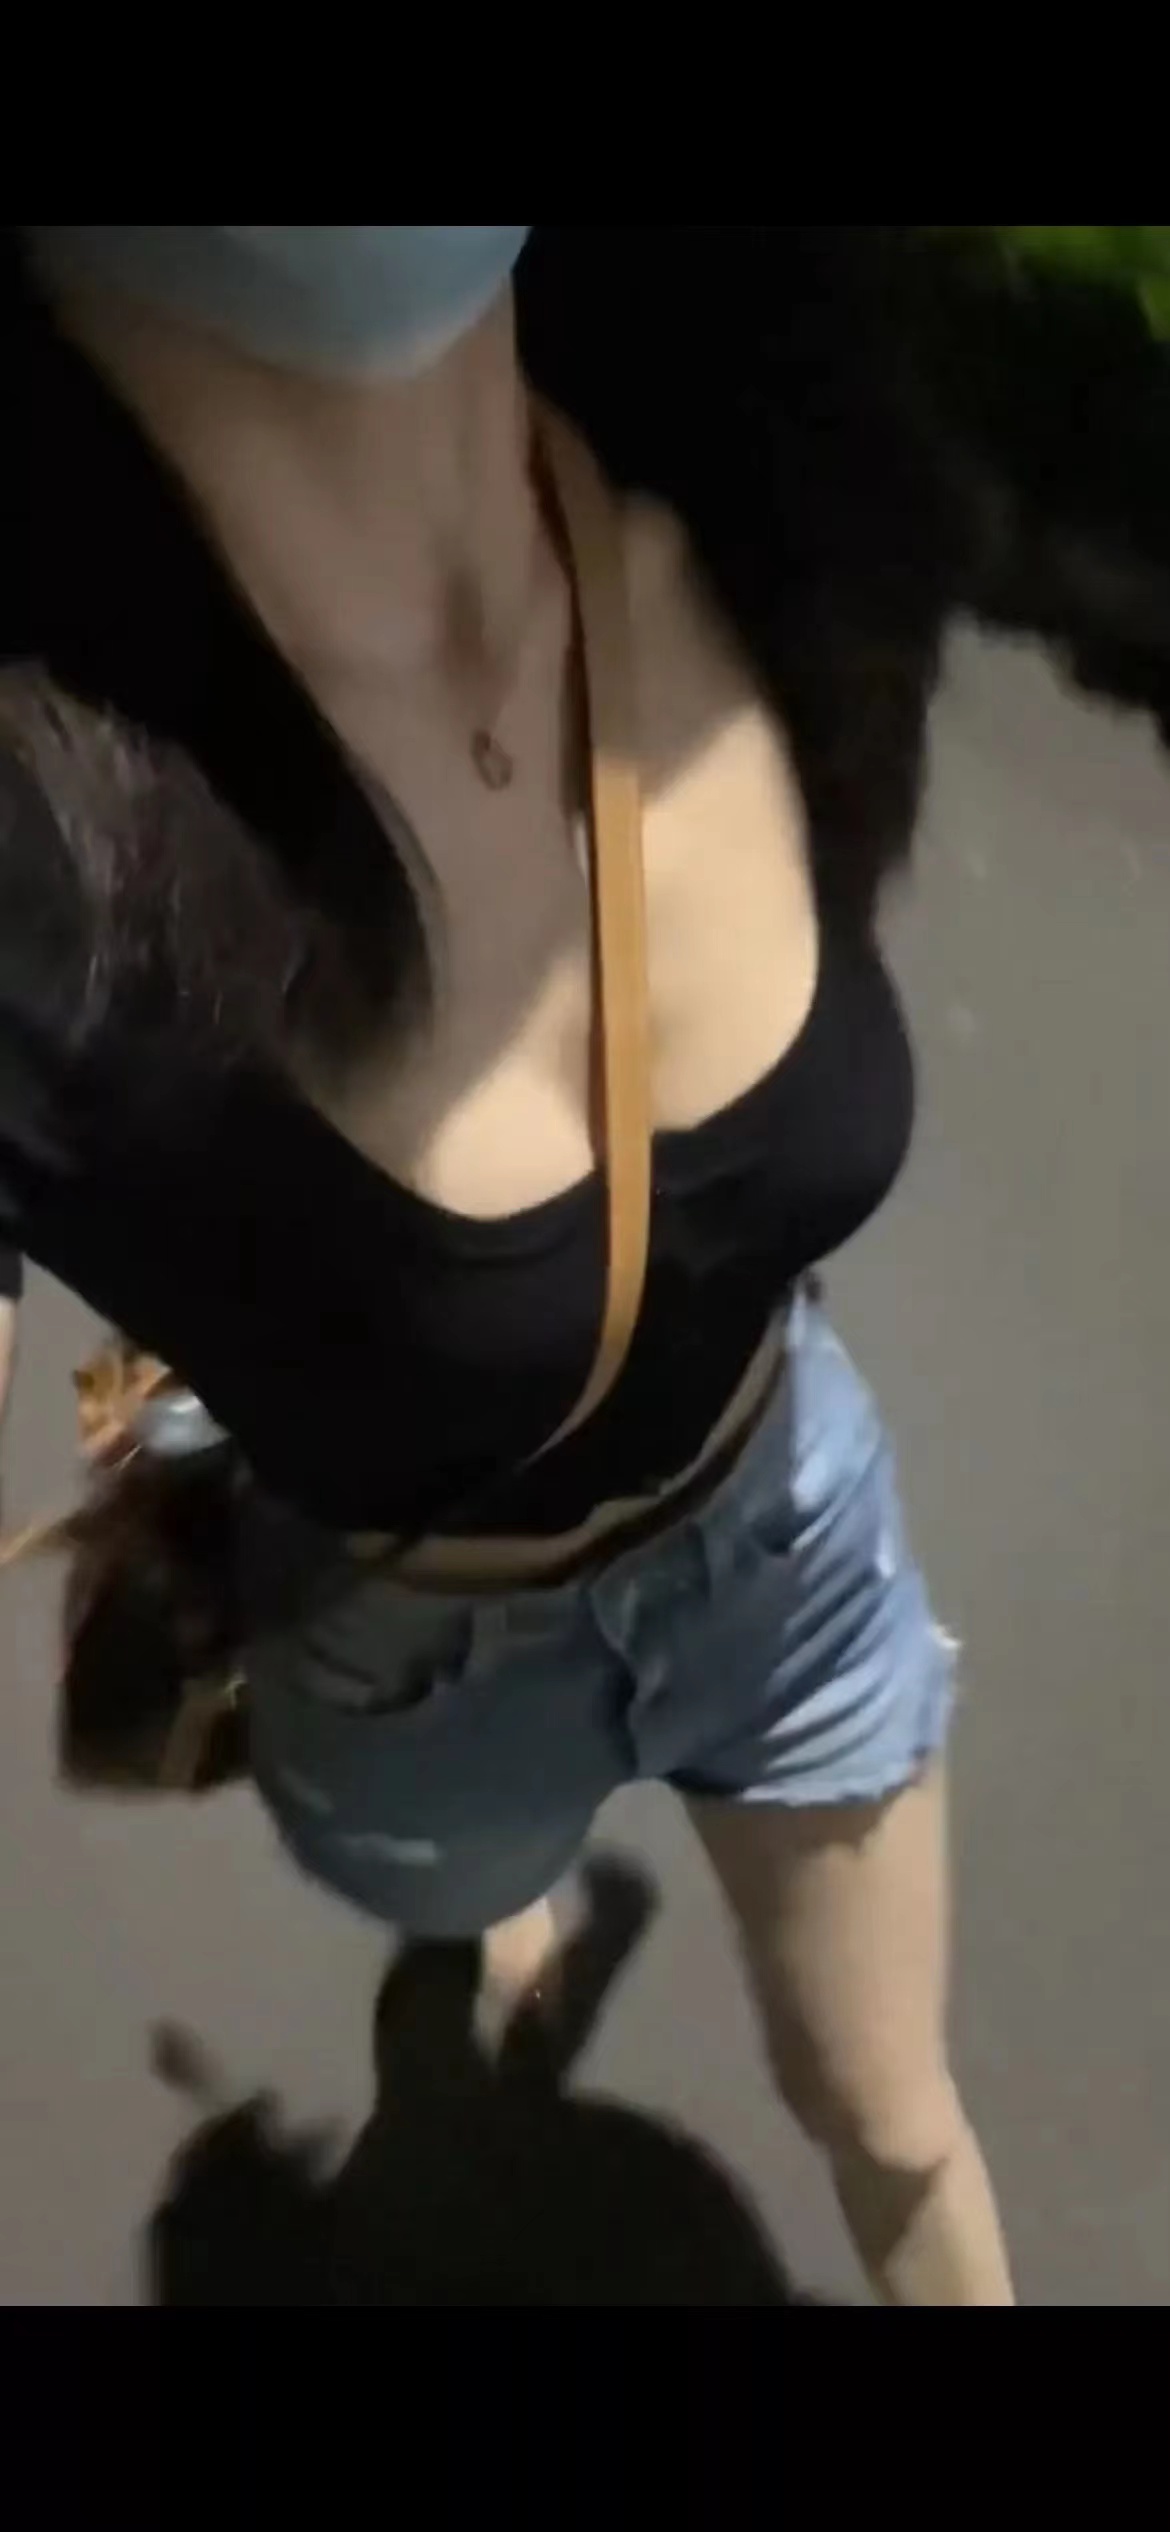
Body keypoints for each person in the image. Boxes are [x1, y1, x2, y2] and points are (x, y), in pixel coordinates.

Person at [0, 226, 1012, 2304]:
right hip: (417, 1663)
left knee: (901, 2121)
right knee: (460, 1927)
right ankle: (483, 1924)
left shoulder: (760, 479)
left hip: (788, 1539)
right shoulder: (43, 849)